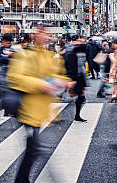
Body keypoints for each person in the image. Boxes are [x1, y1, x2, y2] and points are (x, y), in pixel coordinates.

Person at [8, 24, 72, 183]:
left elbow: (56, 74)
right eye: (40, 32)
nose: (44, 36)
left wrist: (65, 82)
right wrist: (41, 84)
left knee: (33, 150)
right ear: (33, 35)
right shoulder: (24, 54)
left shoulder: (50, 55)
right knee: (35, 148)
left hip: (41, 108)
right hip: (26, 108)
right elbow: (15, 77)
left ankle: (21, 180)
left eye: (46, 33)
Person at [64, 35, 89, 122]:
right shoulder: (70, 52)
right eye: (78, 41)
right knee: (79, 96)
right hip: (74, 77)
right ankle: (77, 115)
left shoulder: (81, 50)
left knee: (81, 96)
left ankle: (77, 115)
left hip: (80, 77)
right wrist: (71, 78)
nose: (80, 42)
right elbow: (68, 65)